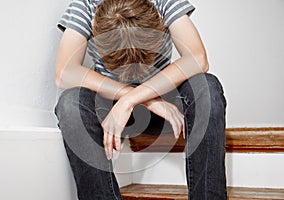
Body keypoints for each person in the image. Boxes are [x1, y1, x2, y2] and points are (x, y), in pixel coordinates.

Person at [54, 0, 227, 199]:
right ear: (94, 26)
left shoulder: (163, 2)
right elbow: (64, 72)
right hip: (114, 111)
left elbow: (198, 59)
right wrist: (137, 99)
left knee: (207, 86)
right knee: (70, 103)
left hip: (167, 108)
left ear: (161, 23)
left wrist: (134, 99)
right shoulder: (86, 6)